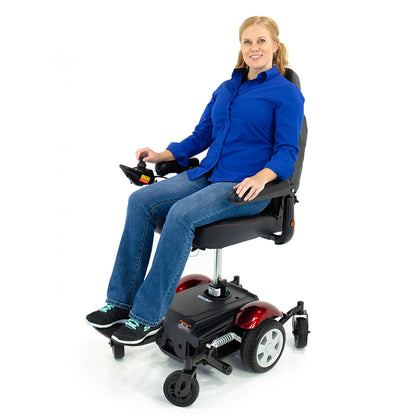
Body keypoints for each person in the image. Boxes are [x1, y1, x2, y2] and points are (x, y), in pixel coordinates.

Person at [86, 16, 305, 345]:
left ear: (275, 44)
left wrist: (262, 177)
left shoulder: (286, 93)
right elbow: (202, 135)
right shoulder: (227, 89)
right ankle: (120, 303)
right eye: (247, 41)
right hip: (208, 173)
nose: (254, 47)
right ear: (241, 46)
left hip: (245, 188)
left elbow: (287, 151)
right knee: (140, 200)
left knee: (181, 214)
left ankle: (147, 318)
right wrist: (162, 155)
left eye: (261, 41)